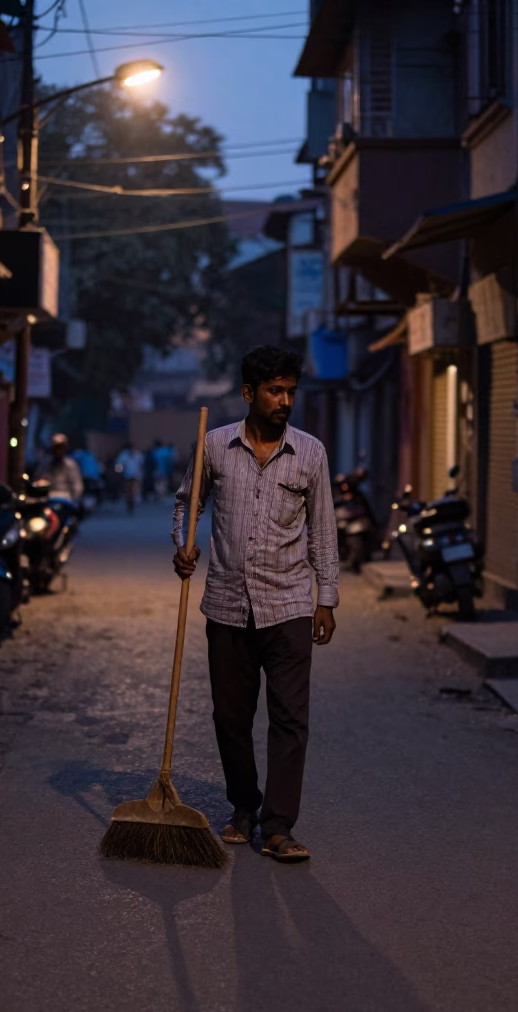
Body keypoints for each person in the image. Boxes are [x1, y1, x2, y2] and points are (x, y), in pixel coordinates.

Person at [172, 345, 339, 863]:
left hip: (288, 604)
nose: (285, 400)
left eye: (291, 390)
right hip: (226, 604)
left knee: (290, 719)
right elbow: (187, 502)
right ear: (249, 393)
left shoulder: (310, 453)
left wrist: (326, 597)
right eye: (274, 390)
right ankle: (244, 806)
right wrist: (183, 544)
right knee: (231, 717)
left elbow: (323, 529)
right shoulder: (215, 446)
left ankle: (279, 826)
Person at [33, 433, 83, 504]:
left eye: (61, 447)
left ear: (65, 448)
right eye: (57, 447)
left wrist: (73, 500)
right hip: (47, 500)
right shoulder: (45, 465)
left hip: (66, 501)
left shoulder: (71, 465)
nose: (59, 450)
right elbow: (36, 481)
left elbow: (78, 487)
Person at [115, 441, 145, 513]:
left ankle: (132, 501)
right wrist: (119, 471)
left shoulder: (137, 454)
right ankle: (130, 502)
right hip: (129, 476)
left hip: (134, 476)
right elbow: (119, 465)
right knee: (129, 490)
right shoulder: (125, 454)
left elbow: (142, 464)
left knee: (132, 490)